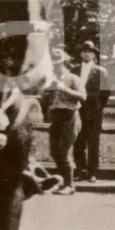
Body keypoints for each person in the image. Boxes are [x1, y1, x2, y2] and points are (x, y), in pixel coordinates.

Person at [42, 49, 86, 195]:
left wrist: (65, 89)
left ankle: (69, 185)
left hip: (70, 115)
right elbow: (46, 99)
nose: (55, 66)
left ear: (65, 63)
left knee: (64, 150)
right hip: (56, 116)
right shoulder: (51, 80)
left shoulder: (73, 78)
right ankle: (62, 181)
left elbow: (83, 96)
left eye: (58, 63)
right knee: (54, 151)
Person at [73, 40, 111, 182]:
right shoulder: (74, 70)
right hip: (77, 110)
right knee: (78, 141)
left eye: (90, 51)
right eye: (84, 51)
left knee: (93, 142)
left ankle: (92, 171)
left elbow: (106, 93)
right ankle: (80, 169)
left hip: (94, 111)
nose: (87, 53)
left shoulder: (101, 71)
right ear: (81, 53)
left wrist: (98, 106)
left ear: (94, 54)